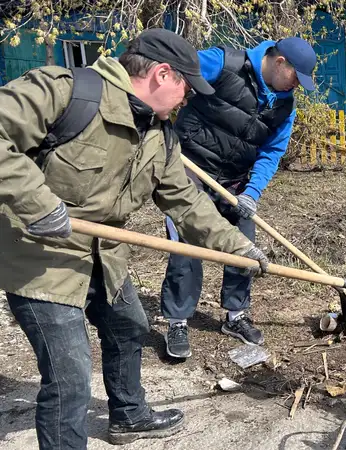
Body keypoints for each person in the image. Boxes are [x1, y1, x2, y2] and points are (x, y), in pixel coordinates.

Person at [0, 29, 270, 449]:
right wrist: (37, 203)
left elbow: (187, 204)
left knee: (129, 327)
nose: (187, 100)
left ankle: (128, 416)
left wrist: (241, 250)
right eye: (185, 87)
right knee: (70, 376)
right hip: (41, 258)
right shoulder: (66, 93)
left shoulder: (158, 134)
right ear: (162, 75)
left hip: (103, 254)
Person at [159, 37, 317, 358]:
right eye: (296, 78)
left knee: (245, 247)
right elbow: (173, 70)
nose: (297, 87)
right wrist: (159, 112)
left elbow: (272, 152)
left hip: (235, 180)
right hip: (189, 172)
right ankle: (177, 321)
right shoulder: (224, 63)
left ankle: (236, 315)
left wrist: (252, 192)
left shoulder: (284, 105)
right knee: (187, 247)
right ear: (280, 62)